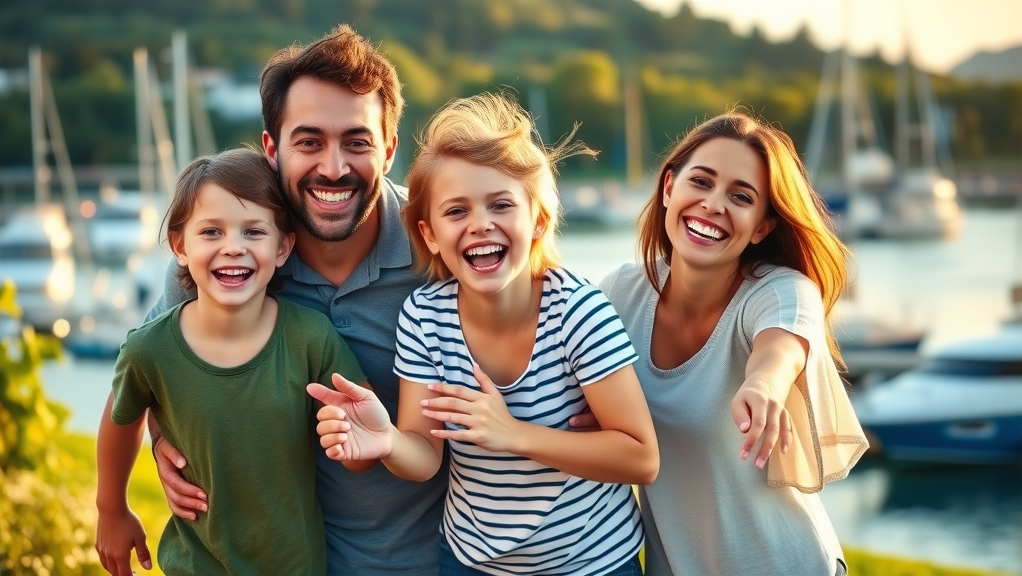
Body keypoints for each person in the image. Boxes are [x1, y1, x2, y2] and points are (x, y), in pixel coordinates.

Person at [130, 25, 451, 575]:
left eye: (357, 142)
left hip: (422, 560)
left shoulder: (441, 247)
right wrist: (167, 446)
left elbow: (536, 283)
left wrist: (578, 397)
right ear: (272, 148)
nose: (333, 168)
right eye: (309, 142)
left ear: (390, 149)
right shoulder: (225, 264)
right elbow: (157, 377)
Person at [308, 92, 659, 576]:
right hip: (471, 563)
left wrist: (514, 434)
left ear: (536, 220)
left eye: (500, 204)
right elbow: (425, 455)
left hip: (591, 563)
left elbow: (641, 457)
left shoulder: (577, 312)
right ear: (430, 235)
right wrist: (387, 439)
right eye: (456, 212)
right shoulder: (425, 317)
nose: (480, 224)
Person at [598, 110, 869, 576]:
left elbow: (780, 350)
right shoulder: (621, 294)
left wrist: (763, 385)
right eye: (701, 182)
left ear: (762, 227)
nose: (713, 204)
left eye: (741, 196)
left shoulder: (779, 291)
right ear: (668, 189)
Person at [94, 147, 366, 576]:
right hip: (193, 565)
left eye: (254, 232)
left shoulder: (310, 338)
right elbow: (121, 416)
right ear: (179, 246)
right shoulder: (150, 350)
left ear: (283, 247)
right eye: (212, 232)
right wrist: (111, 508)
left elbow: (363, 439)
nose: (233, 248)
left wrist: (351, 442)